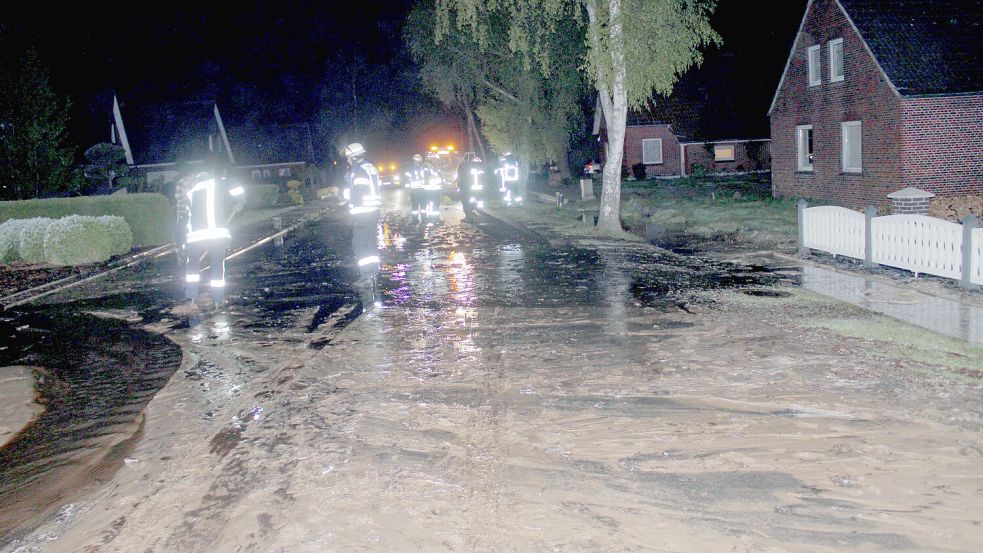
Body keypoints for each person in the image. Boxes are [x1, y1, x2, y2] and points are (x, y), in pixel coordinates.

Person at [180, 161, 246, 307]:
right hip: (216, 235)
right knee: (217, 265)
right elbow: (234, 183)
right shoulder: (217, 183)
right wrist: (241, 201)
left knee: (192, 266)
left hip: (195, 237)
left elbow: (186, 217)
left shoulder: (191, 192)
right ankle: (217, 299)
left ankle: (191, 296)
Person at [344, 143, 382, 282]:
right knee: (370, 242)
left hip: (362, 212)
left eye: (348, 158)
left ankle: (366, 275)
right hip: (373, 211)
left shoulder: (359, 171)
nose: (347, 161)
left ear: (353, 157)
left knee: (359, 243)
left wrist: (343, 194)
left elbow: (358, 191)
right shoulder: (370, 167)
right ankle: (373, 272)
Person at [456, 155, 485, 222]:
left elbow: (463, 178)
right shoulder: (481, 168)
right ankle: (480, 215)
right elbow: (484, 179)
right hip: (479, 188)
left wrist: (459, 184)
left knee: (467, 202)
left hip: (469, 188)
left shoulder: (467, 168)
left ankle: (469, 218)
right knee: (478, 201)